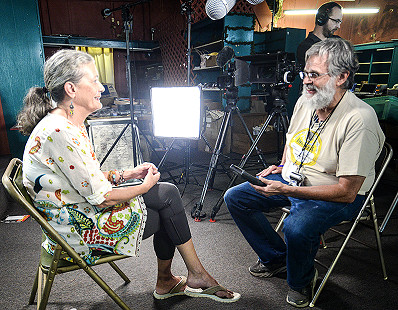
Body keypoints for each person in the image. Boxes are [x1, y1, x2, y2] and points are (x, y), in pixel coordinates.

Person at [17, 49, 240, 303]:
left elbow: (84, 178)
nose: (101, 88)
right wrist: (144, 186)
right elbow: (102, 198)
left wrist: (127, 174)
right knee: (167, 202)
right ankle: (184, 277)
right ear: (71, 89)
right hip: (74, 232)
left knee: (167, 199)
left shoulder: (61, 123)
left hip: (71, 216)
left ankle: (178, 278)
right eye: (94, 80)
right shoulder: (60, 130)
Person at [224, 38, 385, 307]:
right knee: (236, 197)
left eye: (314, 75)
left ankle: (301, 281)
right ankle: (277, 259)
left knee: (296, 226)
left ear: (342, 76)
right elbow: (292, 140)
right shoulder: (306, 101)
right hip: (294, 178)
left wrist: (287, 189)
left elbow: (347, 192)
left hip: (335, 193)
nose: (306, 81)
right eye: (305, 74)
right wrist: (282, 166)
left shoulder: (360, 119)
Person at [296, 2, 343, 71]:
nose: (338, 26)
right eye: (336, 21)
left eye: (340, 22)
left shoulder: (338, 42)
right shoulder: (306, 47)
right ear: (322, 19)